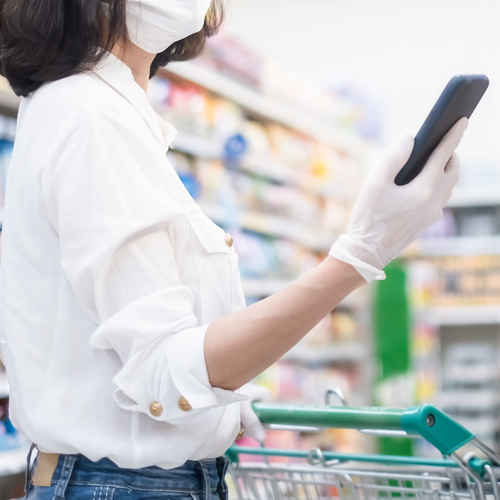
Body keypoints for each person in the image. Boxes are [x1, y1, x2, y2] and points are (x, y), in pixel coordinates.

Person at [0, 0, 466, 498]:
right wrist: (360, 254)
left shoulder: (90, 111)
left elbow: (101, 342)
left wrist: (216, 407)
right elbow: (165, 369)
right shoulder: (91, 116)